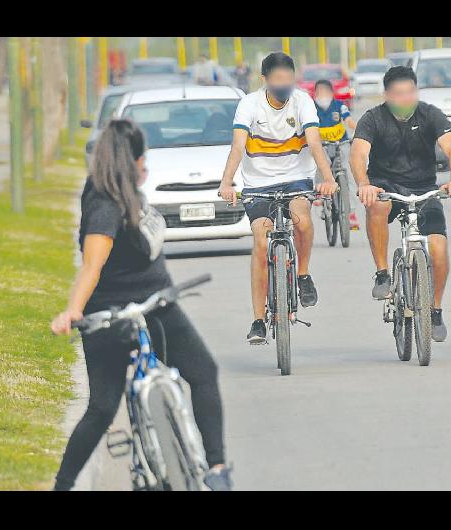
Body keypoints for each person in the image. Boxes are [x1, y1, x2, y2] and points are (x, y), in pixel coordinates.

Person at [50, 119, 232, 491]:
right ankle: (63, 485)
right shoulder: (103, 204)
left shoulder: (128, 191)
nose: (146, 165)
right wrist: (73, 309)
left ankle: (215, 468)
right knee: (102, 408)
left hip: (157, 305)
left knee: (203, 372)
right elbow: (91, 265)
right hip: (111, 318)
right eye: (142, 158)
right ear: (128, 160)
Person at [218, 52, 337, 345]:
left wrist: (328, 178)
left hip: (296, 176)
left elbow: (314, 142)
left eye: (289, 78)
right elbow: (237, 147)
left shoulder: (302, 101)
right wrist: (226, 182)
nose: (284, 84)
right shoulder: (249, 104)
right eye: (278, 79)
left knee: (304, 221)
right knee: (261, 242)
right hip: (258, 182)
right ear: (265, 80)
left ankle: (303, 274)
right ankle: (258, 320)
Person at [350, 66, 451, 342]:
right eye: (399, 94)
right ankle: (382, 274)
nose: (405, 99)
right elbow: (358, 153)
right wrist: (364, 184)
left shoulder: (429, 114)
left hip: (423, 188)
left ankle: (435, 309)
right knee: (376, 206)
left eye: (410, 92)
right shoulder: (373, 118)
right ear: (386, 95)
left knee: (438, 249)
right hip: (385, 186)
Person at [314, 79, 360, 230]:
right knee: (321, 164)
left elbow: (349, 120)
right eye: (319, 92)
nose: (323, 95)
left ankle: (351, 212)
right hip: (323, 146)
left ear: (331, 93)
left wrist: (359, 131)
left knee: (349, 173)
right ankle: (322, 198)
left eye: (325, 92)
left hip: (341, 143)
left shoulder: (339, 106)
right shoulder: (312, 108)